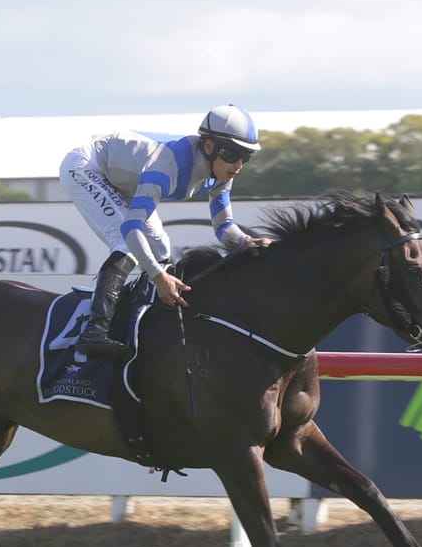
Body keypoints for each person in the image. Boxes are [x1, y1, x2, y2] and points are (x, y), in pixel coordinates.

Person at [59, 104, 271, 358]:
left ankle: (145, 318)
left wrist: (247, 241)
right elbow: (131, 226)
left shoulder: (223, 172)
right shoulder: (168, 165)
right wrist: (159, 277)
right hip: (87, 167)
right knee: (126, 243)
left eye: (245, 157)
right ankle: (95, 330)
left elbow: (224, 227)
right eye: (232, 153)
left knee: (161, 248)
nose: (238, 165)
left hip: (123, 179)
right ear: (209, 146)